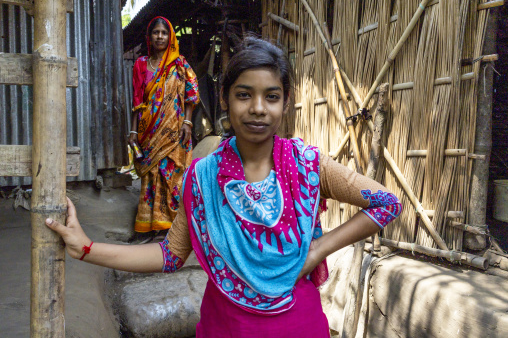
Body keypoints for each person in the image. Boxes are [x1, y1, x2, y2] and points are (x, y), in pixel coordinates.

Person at [47, 37, 402, 337]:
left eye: (272, 96)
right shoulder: (202, 178)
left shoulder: (309, 166)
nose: (258, 109)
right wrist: (86, 249)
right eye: (244, 95)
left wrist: (317, 249)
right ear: (225, 99)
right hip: (226, 327)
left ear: (286, 101)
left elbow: (387, 203)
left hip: (299, 325)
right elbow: (171, 255)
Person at [128, 16, 200, 234]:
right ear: (149, 37)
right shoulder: (141, 64)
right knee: (151, 174)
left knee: (172, 173)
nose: (160, 36)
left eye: (164, 32)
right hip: (148, 131)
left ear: (170, 37)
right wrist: (133, 131)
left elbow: (192, 92)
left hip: (174, 129)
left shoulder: (179, 64)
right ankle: (151, 226)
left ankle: (173, 229)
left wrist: (187, 121)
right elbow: (137, 101)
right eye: (156, 32)